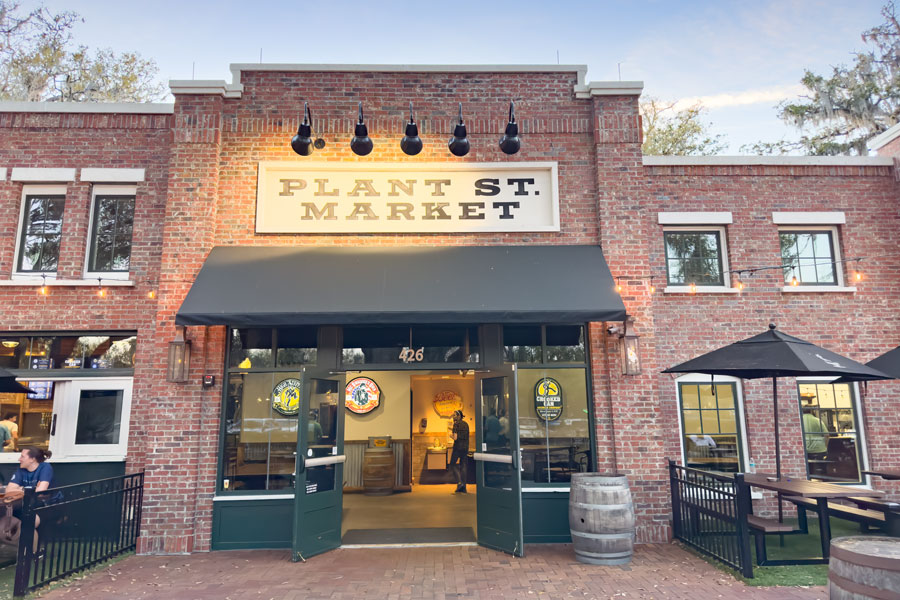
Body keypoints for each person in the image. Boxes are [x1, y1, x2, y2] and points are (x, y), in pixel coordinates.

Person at [5, 448, 58, 529]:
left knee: (30, 522)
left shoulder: (45, 467)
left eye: (22, 457)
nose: (19, 459)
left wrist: (19, 489)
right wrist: (27, 489)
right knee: (9, 517)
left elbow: (40, 491)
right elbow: (8, 490)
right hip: (27, 505)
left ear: (32, 459)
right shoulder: (21, 470)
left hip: (47, 505)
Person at [448, 410, 469, 494]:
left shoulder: (456, 424)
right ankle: (464, 487)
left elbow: (455, 438)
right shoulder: (466, 424)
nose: (453, 416)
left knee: (452, 464)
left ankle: (459, 483)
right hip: (465, 447)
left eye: (455, 415)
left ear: (459, 416)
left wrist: (451, 436)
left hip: (457, 448)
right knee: (463, 466)